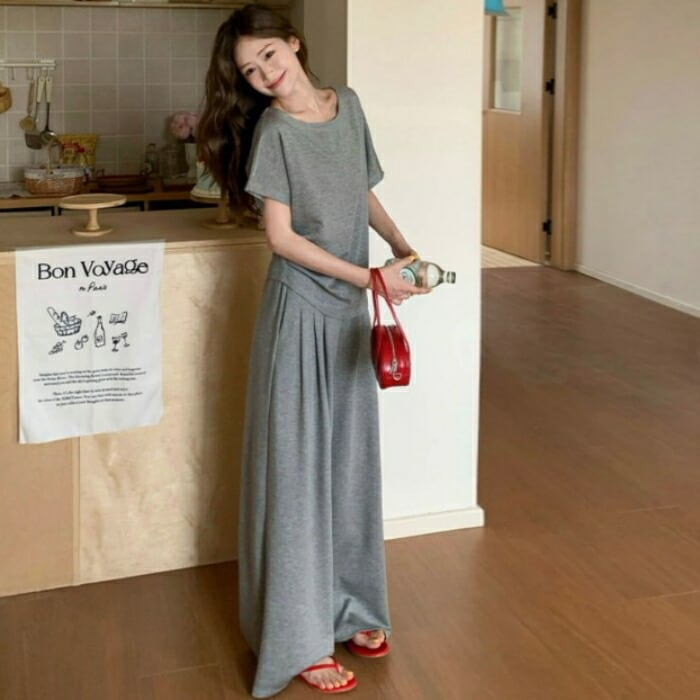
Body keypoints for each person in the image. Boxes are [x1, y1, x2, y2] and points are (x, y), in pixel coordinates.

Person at [198, 5, 427, 697]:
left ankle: (352, 606)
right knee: (298, 475)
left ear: (293, 45)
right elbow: (282, 238)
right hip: (299, 314)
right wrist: (371, 278)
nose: (264, 74)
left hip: (349, 313)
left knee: (350, 464)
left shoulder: (346, 105)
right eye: (249, 70)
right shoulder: (274, 132)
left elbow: (360, 191)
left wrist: (402, 247)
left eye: (269, 55)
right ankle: (298, 640)